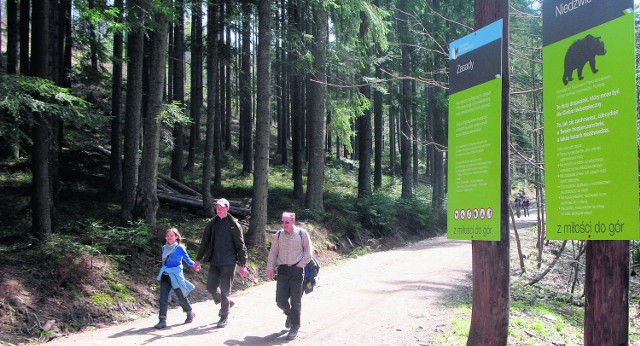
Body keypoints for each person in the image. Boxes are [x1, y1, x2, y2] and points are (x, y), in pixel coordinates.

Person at [194, 198, 248, 328]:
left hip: (229, 262)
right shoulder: (212, 223)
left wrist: (243, 264)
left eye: (221, 207)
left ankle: (224, 315)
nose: (219, 209)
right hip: (215, 261)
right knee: (210, 286)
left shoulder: (234, 224)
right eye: (217, 207)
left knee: (225, 291)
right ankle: (227, 302)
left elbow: (241, 245)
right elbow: (204, 242)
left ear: (227, 208)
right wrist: (198, 259)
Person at [266, 212, 312, 340]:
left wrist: (300, 265)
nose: (284, 224)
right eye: (282, 222)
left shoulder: (302, 234)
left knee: (295, 301)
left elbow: (308, 253)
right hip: (282, 271)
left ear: (293, 221)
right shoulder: (279, 235)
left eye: (287, 222)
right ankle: (290, 314)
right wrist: (270, 267)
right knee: (280, 300)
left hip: (297, 271)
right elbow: (273, 252)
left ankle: (294, 327)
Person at [154, 227, 199, 329]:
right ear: (165, 237)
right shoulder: (164, 248)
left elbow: (188, 260)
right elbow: (164, 263)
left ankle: (190, 312)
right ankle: (162, 320)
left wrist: (195, 265)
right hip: (165, 275)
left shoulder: (180, 248)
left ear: (176, 237)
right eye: (168, 236)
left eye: (172, 235)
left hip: (176, 276)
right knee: (163, 297)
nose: (169, 237)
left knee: (181, 296)